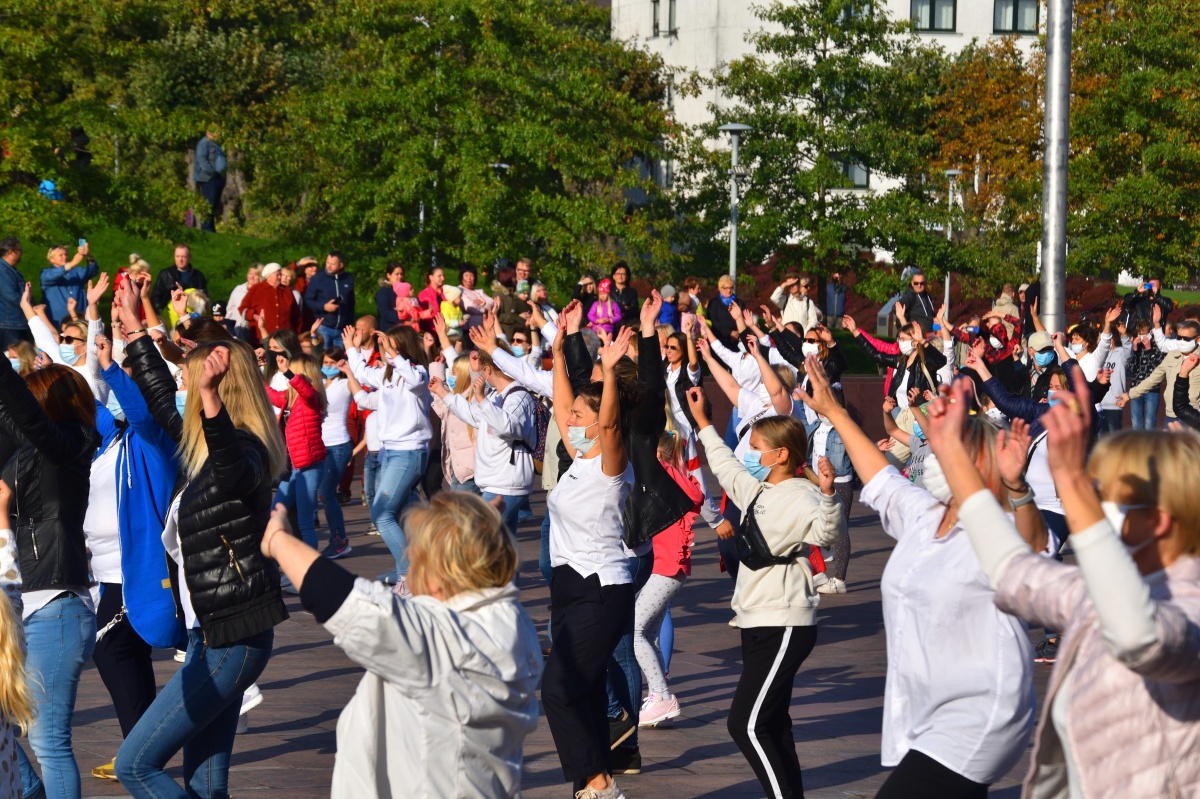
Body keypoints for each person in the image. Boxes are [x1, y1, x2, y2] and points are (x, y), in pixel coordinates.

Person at [924, 367, 1200, 799]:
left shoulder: (1190, 606)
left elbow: (1138, 636)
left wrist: (1070, 481)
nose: (1095, 502)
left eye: (1105, 493)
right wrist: (954, 455)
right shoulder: (1104, 589)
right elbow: (1014, 571)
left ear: (1159, 521)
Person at [799, 360, 1042, 798]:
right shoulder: (925, 515)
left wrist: (1018, 489)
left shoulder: (1000, 528)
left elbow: (1034, 548)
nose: (938, 454)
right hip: (927, 712)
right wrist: (834, 411)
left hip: (980, 711)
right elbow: (880, 475)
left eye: (952, 448)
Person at [114, 295, 288, 796]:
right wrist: (136, 332)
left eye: (192, 381)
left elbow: (233, 471)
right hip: (206, 638)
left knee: (135, 765)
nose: (183, 387)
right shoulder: (200, 449)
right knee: (205, 786)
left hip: (232, 640)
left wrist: (209, 397)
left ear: (220, 389)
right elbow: (159, 398)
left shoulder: (246, 449)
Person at [264, 483, 542, 797]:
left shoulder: (444, 639)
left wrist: (278, 540)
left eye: (418, 559)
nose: (410, 570)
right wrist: (477, 530)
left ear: (441, 572)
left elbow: (351, 604)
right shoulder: (508, 618)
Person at [684, 383, 843, 799]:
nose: (749, 455)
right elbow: (725, 466)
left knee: (746, 724)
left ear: (781, 455)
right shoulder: (758, 490)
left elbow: (827, 533)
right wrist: (703, 423)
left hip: (785, 622)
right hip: (755, 619)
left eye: (756, 448)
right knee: (773, 722)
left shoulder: (803, 495)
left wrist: (829, 496)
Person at [541, 304, 637, 799]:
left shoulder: (611, 464)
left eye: (582, 415)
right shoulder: (581, 457)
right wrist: (559, 353)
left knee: (557, 690)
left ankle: (600, 784)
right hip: (569, 587)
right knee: (586, 691)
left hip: (601, 588)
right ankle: (593, 786)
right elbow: (562, 406)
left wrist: (611, 371)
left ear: (600, 423)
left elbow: (613, 424)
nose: (570, 420)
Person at [86, 334, 185, 781]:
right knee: (127, 654)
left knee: (112, 651)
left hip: (140, 573)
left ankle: (140, 753)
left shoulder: (153, 440)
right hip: (109, 574)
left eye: (127, 381)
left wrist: (111, 368)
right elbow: (84, 407)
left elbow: (142, 413)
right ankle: (142, 750)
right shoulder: (113, 438)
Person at [0, 360, 100, 799]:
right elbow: (12, 414)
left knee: (48, 742)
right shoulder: (28, 450)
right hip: (20, 602)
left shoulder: (73, 444)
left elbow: (25, 416)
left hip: (54, 606)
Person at [345, 324, 432, 592]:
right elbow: (362, 373)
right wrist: (351, 348)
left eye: (390, 345)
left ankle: (408, 577)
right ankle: (423, 569)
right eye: (384, 346)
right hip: (392, 451)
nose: (384, 349)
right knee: (406, 515)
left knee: (381, 514)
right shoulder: (388, 375)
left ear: (402, 348)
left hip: (409, 452)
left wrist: (394, 354)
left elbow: (414, 380)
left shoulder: (418, 372)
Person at [432, 336, 537, 541]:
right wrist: (443, 393)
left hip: (505, 485)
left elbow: (508, 427)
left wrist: (481, 399)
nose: (479, 375)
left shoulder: (518, 396)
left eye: (480, 371)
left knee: (477, 540)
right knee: (502, 547)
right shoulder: (495, 395)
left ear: (488, 369)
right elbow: (473, 416)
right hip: (495, 483)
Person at [632, 432, 702, 728]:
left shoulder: (666, 476)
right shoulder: (672, 478)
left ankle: (662, 696)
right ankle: (658, 697)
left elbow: (695, 497)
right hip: (667, 565)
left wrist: (655, 461)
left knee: (634, 631)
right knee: (647, 634)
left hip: (666, 566)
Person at [266, 352, 328, 552]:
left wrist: (287, 372)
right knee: (276, 511)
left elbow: (306, 391)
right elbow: (271, 395)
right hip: (295, 467)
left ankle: (310, 568)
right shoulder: (290, 399)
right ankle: (290, 558)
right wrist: (254, 374)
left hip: (309, 466)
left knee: (305, 522)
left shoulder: (312, 398)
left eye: (294, 371)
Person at [853, 322, 946, 410]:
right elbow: (875, 355)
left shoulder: (925, 362)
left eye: (903, 339)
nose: (900, 342)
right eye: (899, 339)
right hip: (899, 413)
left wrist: (923, 341)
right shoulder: (901, 361)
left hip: (919, 415)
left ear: (915, 342)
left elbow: (941, 361)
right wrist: (855, 331)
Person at [319, 349, 357, 559]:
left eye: (332, 363)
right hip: (320, 445)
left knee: (327, 492)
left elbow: (358, 387)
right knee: (323, 494)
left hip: (338, 445)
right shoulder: (319, 382)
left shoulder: (344, 384)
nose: (328, 366)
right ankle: (337, 539)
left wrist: (350, 370)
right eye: (325, 362)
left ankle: (339, 541)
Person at [431, 356, 479, 493]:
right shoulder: (455, 398)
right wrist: (437, 369)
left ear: (464, 374)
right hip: (459, 470)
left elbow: (447, 400)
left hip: (472, 470)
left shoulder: (475, 398)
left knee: (459, 507)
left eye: (453, 372)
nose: (450, 376)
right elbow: (441, 398)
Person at [304, 251, 356, 349]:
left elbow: (351, 302)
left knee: (339, 357)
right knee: (323, 355)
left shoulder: (348, 279)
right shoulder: (318, 278)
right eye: (327, 262)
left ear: (341, 265)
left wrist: (350, 324)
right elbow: (308, 300)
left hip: (342, 329)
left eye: (332, 264)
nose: (329, 266)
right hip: (324, 327)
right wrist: (323, 306)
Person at [240, 263, 299, 345]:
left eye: (280, 275)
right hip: (262, 339)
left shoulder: (286, 291)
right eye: (277, 275)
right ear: (269, 276)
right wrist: (253, 316)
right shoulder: (257, 289)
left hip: (285, 339)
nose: (280, 277)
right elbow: (242, 308)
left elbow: (296, 315)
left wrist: (297, 335)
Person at [40, 243, 98, 326]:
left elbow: (93, 271)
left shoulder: (76, 272)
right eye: (61, 255)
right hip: (57, 321)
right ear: (52, 259)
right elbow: (53, 276)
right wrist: (73, 263)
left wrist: (89, 256)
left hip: (80, 317)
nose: (64, 257)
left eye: (66, 254)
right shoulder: (46, 273)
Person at [1126, 320, 1165, 429]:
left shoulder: (1158, 346)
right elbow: (1131, 369)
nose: (1142, 337)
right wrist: (1134, 350)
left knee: (1149, 424)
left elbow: (1158, 367)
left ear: (1150, 333)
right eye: (1140, 334)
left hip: (1152, 389)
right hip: (1136, 388)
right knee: (1136, 424)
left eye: (1144, 334)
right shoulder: (1136, 348)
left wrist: (1149, 349)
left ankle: (1150, 441)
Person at [150, 245, 208, 315]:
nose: (180, 259)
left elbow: (203, 298)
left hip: (192, 317)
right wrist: (162, 312)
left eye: (183, 257)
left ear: (189, 257)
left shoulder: (198, 276)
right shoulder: (165, 274)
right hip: (169, 316)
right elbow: (155, 297)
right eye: (177, 256)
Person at [193, 129, 227, 231]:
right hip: (208, 178)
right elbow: (202, 160)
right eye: (216, 131)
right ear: (208, 132)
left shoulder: (217, 145)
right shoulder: (204, 143)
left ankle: (210, 229)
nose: (218, 133)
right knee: (208, 204)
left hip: (218, 178)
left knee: (214, 204)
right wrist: (212, 173)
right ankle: (206, 228)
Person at [0, 238, 26, 349]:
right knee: (12, 356)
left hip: (14, 322)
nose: (21, 253)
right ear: (10, 252)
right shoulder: (3, 270)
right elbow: (10, 296)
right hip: (10, 324)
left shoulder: (10, 270)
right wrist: (28, 307)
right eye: (19, 250)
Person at [225, 265, 262, 342]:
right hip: (236, 330)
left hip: (255, 333)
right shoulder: (238, 289)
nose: (252, 277)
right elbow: (230, 309)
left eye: (255, 274)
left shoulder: (263, 292)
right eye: (250, 273)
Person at [495, 266, 532, 340]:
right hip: (508, 331)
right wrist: (518, 317)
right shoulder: (500, 294)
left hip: (521, 328)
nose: (516, 278)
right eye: (514, 277)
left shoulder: (515, 292)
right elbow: (499, 315)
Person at [704, 275, 741, 349]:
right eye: (726, 288)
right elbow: (713, 321)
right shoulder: (714, 302)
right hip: (719, 341)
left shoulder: (739, 302)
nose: (729, 290)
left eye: (731, 288)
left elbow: (744, 319)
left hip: (737, 342)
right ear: (720, 288)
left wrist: (739, 333)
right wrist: (729, 333)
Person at [459, 264, 494, 332]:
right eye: (466, 275)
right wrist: (485, 310)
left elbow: (491, 302)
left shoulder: (479, 291)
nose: (469, 278)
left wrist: (482, 303)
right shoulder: (460, 290)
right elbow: (469, 306)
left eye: (471, 275)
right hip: (468, 329)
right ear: (461, 277)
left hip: (483, 328)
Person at [609, 262, 639, 334]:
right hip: (610, 325)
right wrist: (623, 307)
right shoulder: (608, 291)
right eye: (618, 274)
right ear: (613, 276)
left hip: (627, 325)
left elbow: (634, 310)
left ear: (627, 276)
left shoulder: (632, 292)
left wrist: (617, 310)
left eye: (623, 274)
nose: (620, 276)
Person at [373, 262, 405, 330]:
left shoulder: (406, 291)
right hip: (389, 330)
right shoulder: (383, 292)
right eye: (397, 274)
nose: (400, 276)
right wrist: (403, 320)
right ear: (388, 275)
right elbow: (385, 313)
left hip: (405, 330)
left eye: (401, 274)